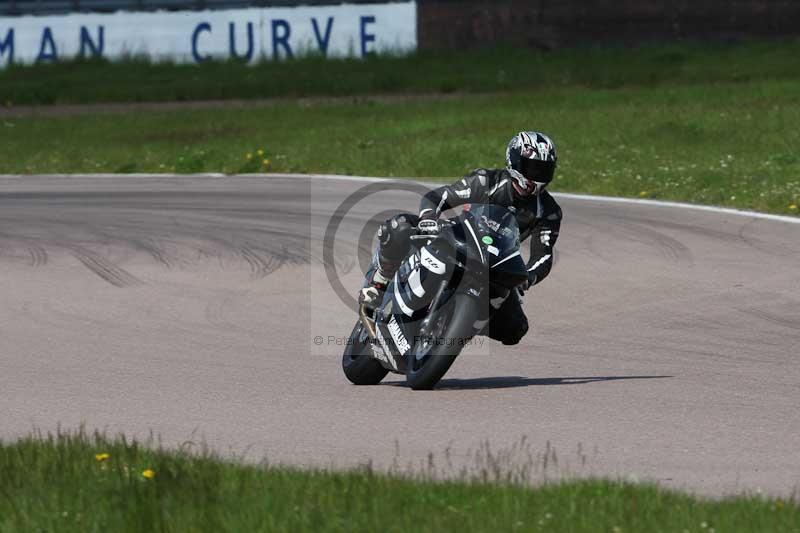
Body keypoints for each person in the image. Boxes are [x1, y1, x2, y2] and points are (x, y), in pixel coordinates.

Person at [359, 131, 562, 345]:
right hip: (457, 238)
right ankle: (378, 285)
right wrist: (429, 218)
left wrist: (528, 276)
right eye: (533, 168)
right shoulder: (486, 181)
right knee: (399, 226)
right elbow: (440, 197)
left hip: (496, 263)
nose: (537, 176)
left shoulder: (548, 211)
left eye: (544, 170)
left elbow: (544, 255)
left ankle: (457, 327)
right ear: (515, 161)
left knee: (515, 329)